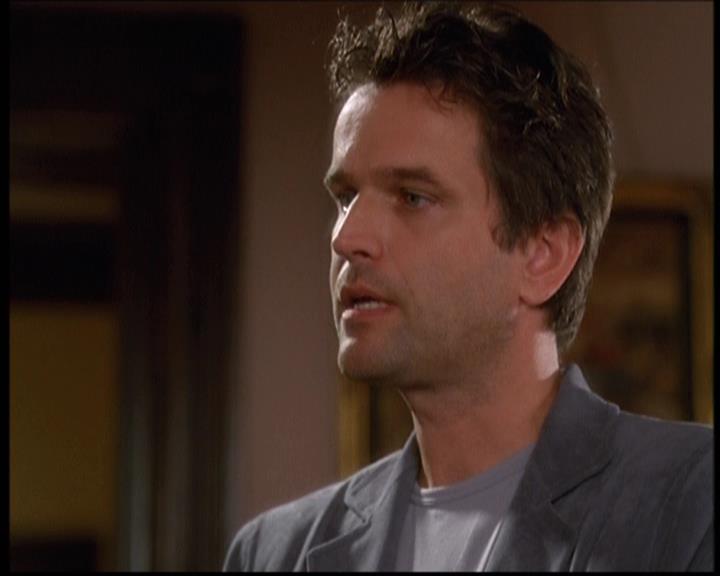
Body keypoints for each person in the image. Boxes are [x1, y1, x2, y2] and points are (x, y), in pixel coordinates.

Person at [223, 2, 713, 571]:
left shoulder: (692, 504)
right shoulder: (273, 554)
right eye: (346, 197)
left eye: (413, 197)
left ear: (543, 254)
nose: (347, 237)